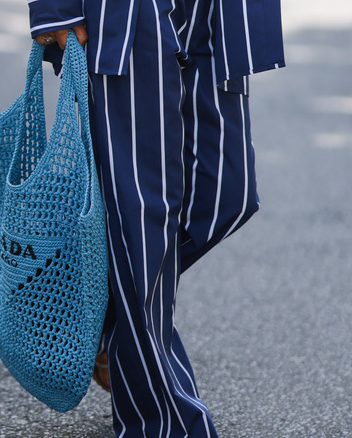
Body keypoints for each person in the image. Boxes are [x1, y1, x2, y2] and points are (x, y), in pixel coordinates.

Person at [29, 0, 284, 436]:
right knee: (142, 220)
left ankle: (105, 310)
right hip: (129, 15)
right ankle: (163, 423)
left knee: (228, 197)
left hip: (218, 13)